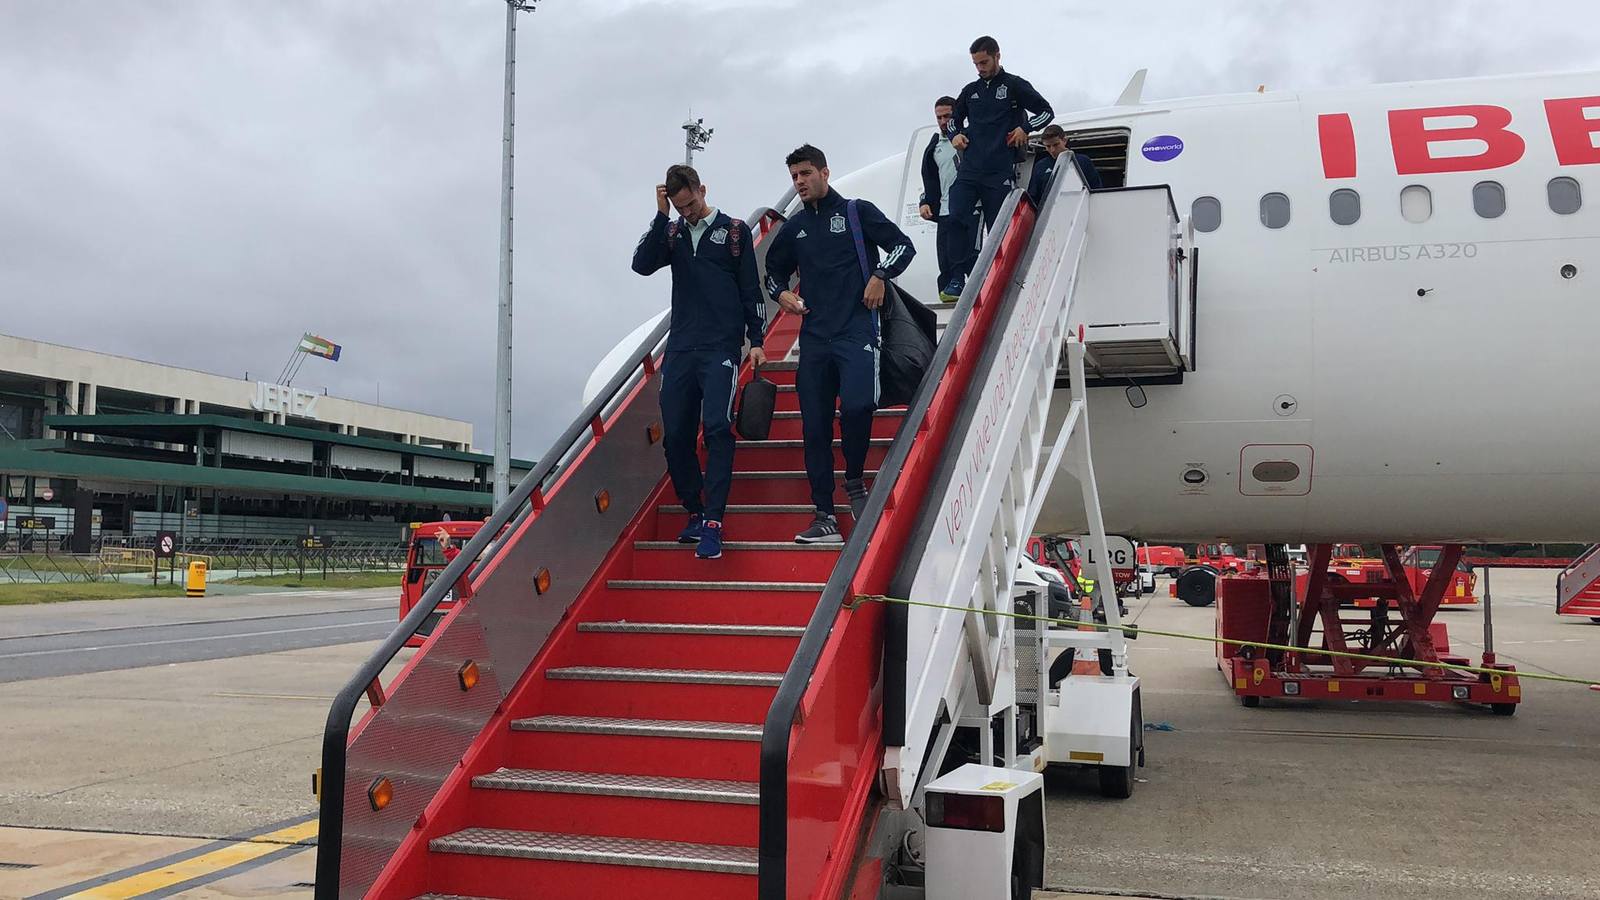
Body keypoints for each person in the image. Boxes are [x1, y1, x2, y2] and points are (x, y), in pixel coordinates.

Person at [763, 144, 915, 543]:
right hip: (814, 337)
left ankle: (854, 480)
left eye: (806, 174)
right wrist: (781, 294)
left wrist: (881, 274)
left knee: (859, 405)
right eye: (794, 177)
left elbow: (903, 245)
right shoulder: (794, 227)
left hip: (857, 331)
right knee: (814, 426)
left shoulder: (856, 211)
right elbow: (772, 272)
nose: (799, 182)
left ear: (825, 173)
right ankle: (824, 514)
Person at [631, 164, 766, 560]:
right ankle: (694, 508)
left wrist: (756, 340)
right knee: (675, 435)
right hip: (681, 348)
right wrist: (660, 216)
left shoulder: (736, 232)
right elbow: (641, 264)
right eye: (679, 207)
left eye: (690, 204)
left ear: (702, 190)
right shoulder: (671, 233)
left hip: (721, 348)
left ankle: (713, 522)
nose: (686, 212)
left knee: (719, 427)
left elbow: (750, 290)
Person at [946, 35, 1054, 296]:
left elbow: (1046, 112)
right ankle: (958, 276)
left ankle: (1001, 278)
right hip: (970, 168)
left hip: (999, 168)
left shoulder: (1014, 85)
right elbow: (953, 121)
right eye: (975, 64)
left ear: (997, 56)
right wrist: (955, 135)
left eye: (984, 62)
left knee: (999, 226)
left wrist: (1025, 128)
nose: (980, 68)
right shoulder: (970, 91)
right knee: (956, 216)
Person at [919, 96, 970, 303]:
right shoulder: (935, 146)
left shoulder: (968, 138)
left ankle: (969, 289)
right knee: (945, 259)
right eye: (939, 117)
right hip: (944, 209)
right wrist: (925, 201)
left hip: (969, 206)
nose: (942, 121)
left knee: (967, 256)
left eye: (947, 116)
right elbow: (931, 179)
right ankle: (949, 300)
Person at [1027, 124, 1103, 207]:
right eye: (1048, 146)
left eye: (1056, 145)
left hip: (1080, 208)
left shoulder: (1083, 161)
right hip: (1049, 213)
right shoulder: (1040, 166)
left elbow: (1096, 191)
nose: (1052, 150)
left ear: (1064, 140)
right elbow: (1033, 197)